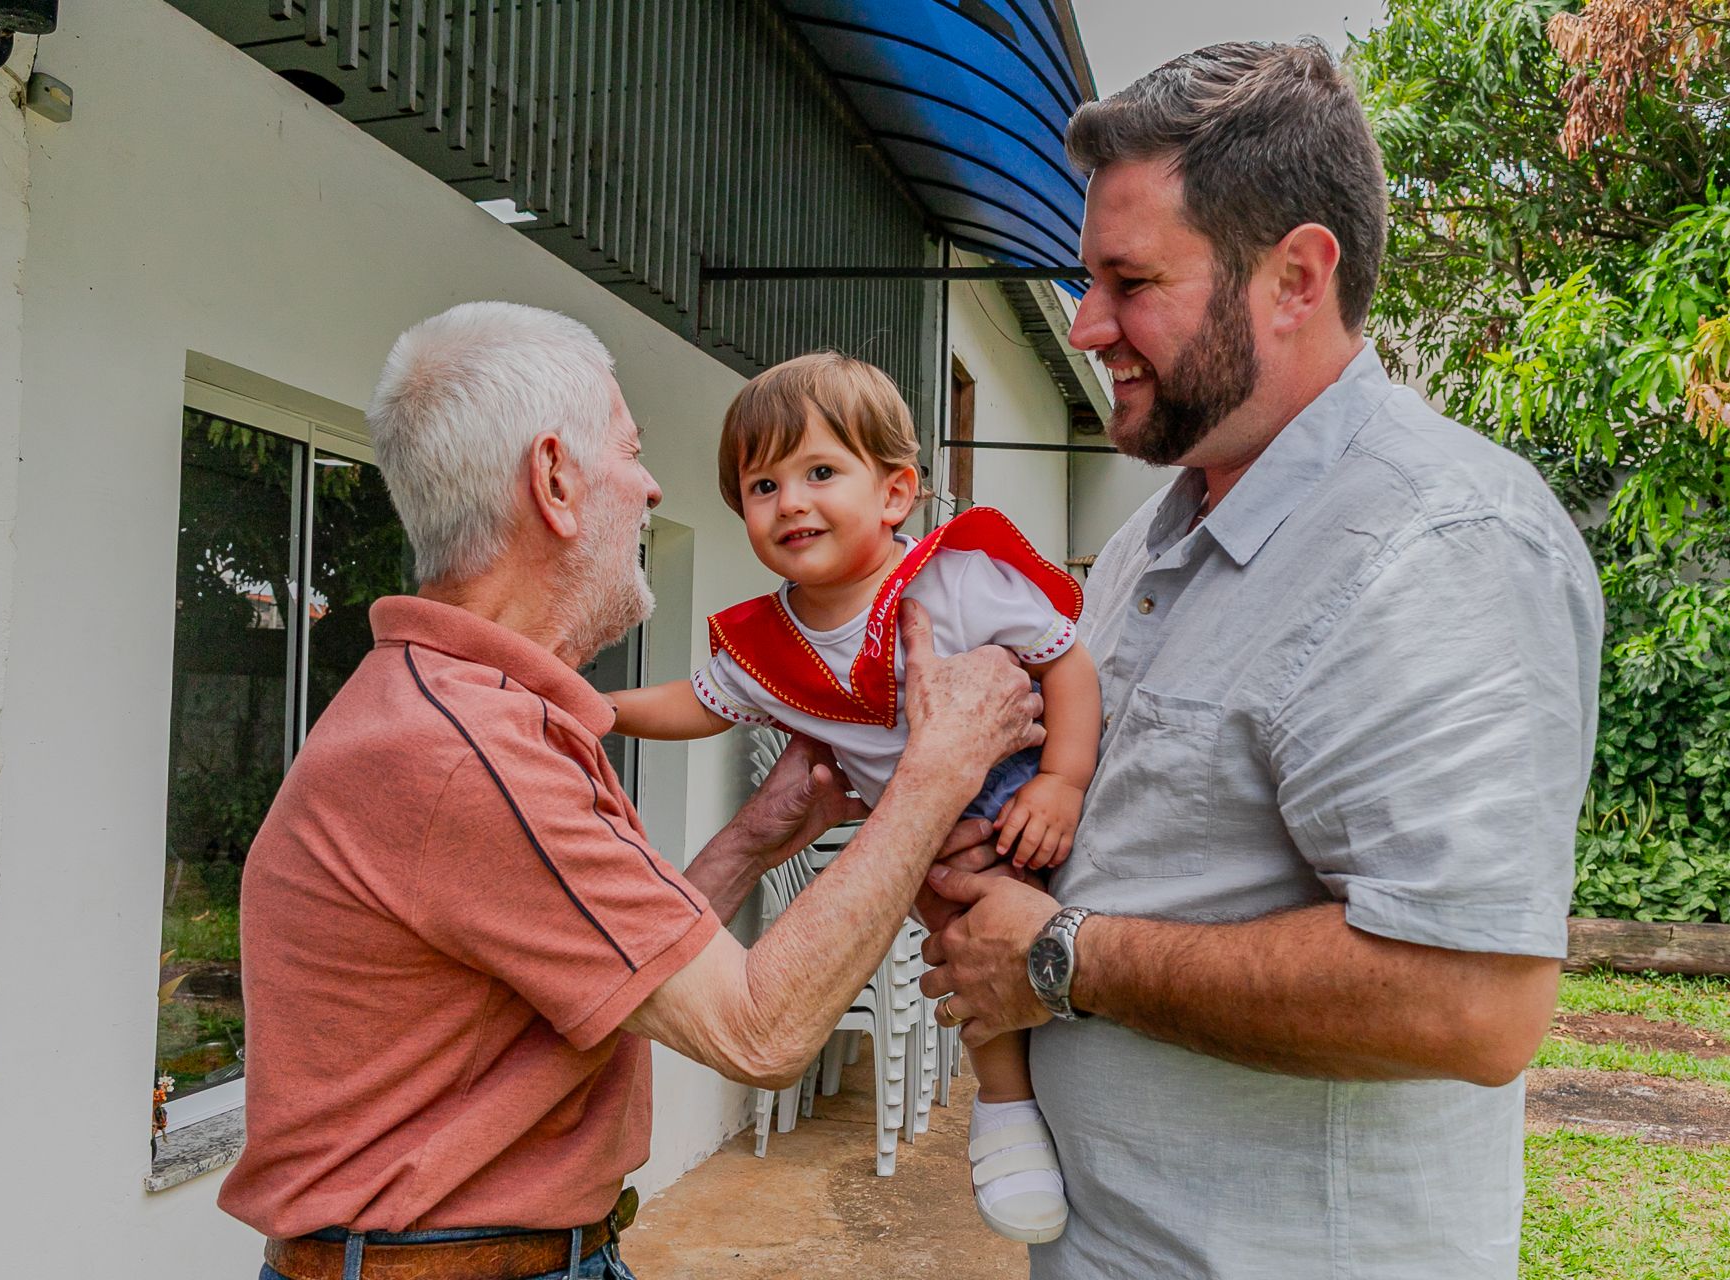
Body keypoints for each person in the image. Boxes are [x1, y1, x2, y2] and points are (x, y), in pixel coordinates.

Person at [916, 40, 1604, 1280]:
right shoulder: (1150, 537)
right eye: (1088, 280)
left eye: (1131, 281)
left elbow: (1472, 1001)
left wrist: (1061, 957)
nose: (1089, 325)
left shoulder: (1437, 541)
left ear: (1296, 277)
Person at [216, 301, 1043, 1280]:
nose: (652, 487)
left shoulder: (475, 710)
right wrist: (938, 770)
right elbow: (758, 1028)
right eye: (632, 451)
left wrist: (753, 838)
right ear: (556, 481)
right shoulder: (465, 752)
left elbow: (615, 970)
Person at [607, 351, 1102, 1243]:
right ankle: (1006, 1106)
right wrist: (594, 708)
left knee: (1081, 949)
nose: (790, 502)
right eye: (763, 486)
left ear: (895, 492)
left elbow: (1066, 663)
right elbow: (694, 704)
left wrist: (1062, 781)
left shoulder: (952, 580)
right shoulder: (769, 645)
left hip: (1031, 799)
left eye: (820, 473)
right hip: (928, 848)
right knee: (967, 950)